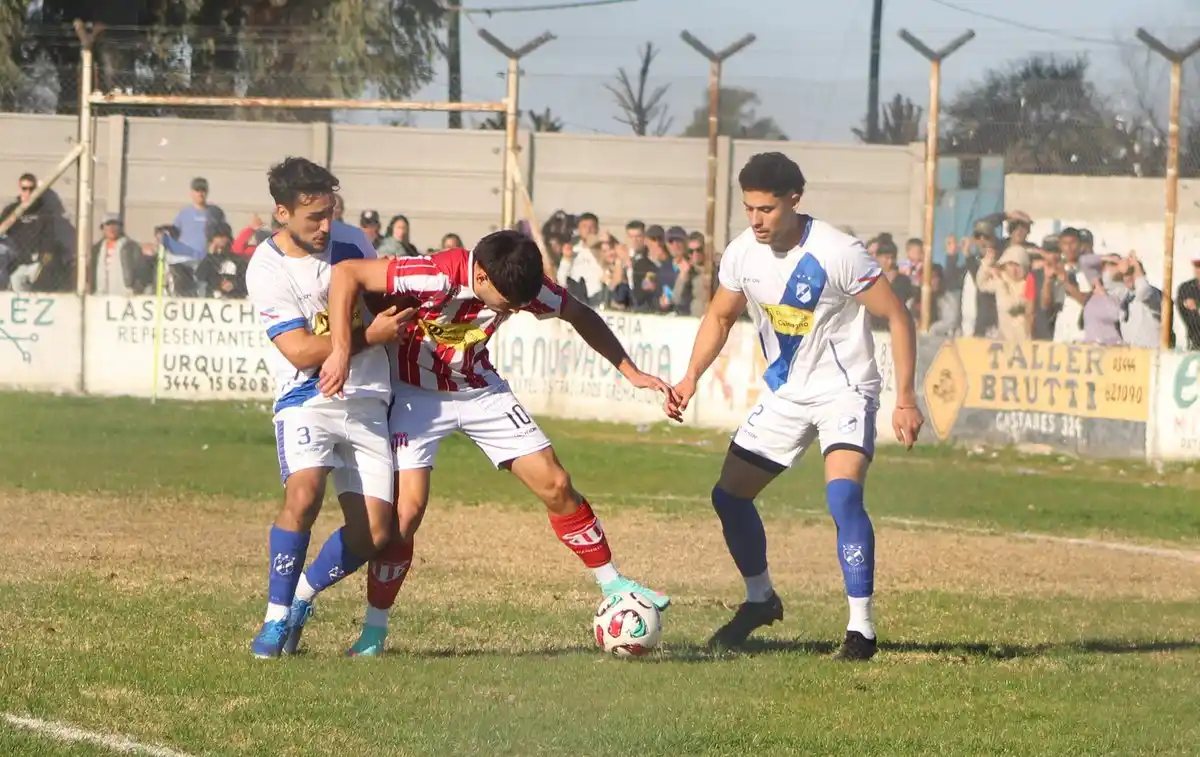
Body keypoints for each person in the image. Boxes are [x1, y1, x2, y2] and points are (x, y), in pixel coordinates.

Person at [318, 230, 681, 656]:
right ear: (483, 276)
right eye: (509, 303)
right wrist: (341, 350)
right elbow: (346, 273)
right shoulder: (434, 274)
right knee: (405, 515)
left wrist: (631, 372)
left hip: (478, 389)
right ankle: (374, 632)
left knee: (556, 484)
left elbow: (579, 313)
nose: (515, 310)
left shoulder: (522, 285)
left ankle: (614, 584)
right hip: (414, 395)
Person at [671, 152, 924, 661]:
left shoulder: (838, 252)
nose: (756, 220)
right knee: (729, 496)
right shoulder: (743, 252)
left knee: (843, 500)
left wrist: (906, 398)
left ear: (794, 199)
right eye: (748, 209)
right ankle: (760, 599)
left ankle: (861, 630)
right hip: (786, 392)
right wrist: (690, 377)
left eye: (766, 209)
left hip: (844, 390)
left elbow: (897, 317)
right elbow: (720, 317)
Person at [243, 157, 412, 659]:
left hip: (367, 400)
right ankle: (274, 621)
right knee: (305, 492)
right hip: (307, 398)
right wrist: (367, 337)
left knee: (378, 532)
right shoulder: (267, 267)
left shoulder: (353, 243)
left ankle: (299, 598)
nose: (324, 227)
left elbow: (385, 305)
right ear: (281, 213)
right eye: (312, 216)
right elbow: (298, 351)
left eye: (330, 214)